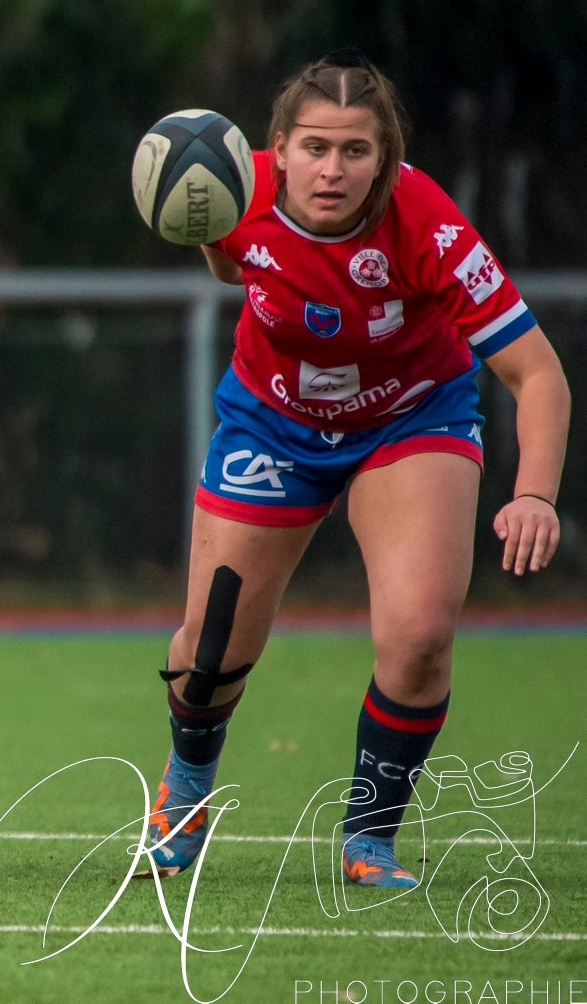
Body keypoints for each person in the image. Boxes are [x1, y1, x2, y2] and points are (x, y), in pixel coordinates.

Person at [143, 51, 569, 889]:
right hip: (274, 419)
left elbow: (539, 373)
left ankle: (369, 840)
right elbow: (231, 259)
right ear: (278, 147)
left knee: (417, 638)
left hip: (410, 417)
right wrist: (203, 229)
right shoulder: (229, 183)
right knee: (209, 649)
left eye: (355, 150)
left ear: (387, 157)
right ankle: (184, 795)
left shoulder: (425, 222)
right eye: (314, 148)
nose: (332, 169)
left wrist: (535, 494)